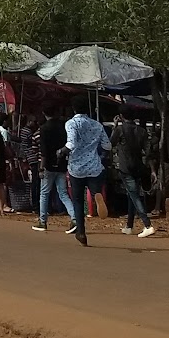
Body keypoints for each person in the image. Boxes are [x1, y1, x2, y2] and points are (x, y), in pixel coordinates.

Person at [63, 96, 109, 246]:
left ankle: (81, 232)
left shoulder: (71, 123)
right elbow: (107, 145)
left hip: (76, 167)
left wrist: (61, 151)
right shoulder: (97, 125)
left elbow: (71, 143)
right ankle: (97, 194)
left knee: (77, 200)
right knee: (94, 190)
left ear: (74, 108)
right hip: (94, 166)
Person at [110, 110, 155, 237]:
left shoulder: (120, 129)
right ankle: (129, 226)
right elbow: (148, 152)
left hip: (125, 167)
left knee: (134, 195)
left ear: (121, 116)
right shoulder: (141, 131)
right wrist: (152, 170)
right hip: (138, 166)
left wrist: (114, 126)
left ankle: (147, 224)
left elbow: (111, 143)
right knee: (131, 194)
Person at [34, 105, 74, 232]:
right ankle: (74, 218)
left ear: (44, 113)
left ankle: (43, 221)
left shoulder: (44, 128)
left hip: (48, 165)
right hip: (61, 164)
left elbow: (44, 152)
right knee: (63, 193)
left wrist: (41, 168)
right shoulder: (63, 126)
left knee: (44, 193)